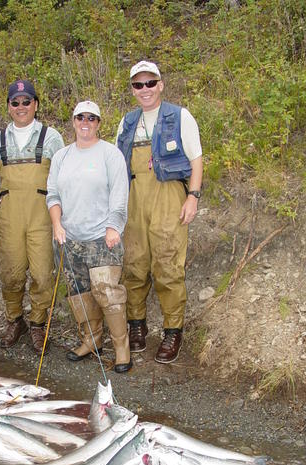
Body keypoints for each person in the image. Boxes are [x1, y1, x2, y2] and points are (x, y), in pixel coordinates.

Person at [116, 60, 203, 363]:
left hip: (169, 196)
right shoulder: (126, 122)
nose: (145, 90)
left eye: (150, 83)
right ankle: (137, 325)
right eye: (138, 85)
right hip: (134, 197)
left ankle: (172, 331)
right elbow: (117, 168)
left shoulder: (180, 116)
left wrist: (192, 197)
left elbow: (196, 160)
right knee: (135, 265)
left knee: (168, 266)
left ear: (161, 85)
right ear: (132, 90)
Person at [47, 100, 131, 374]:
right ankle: (91, 340)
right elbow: (53, 195)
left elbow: (120, 194)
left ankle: (121, 349)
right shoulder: (61, 156)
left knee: (107, 292)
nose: (86, 122)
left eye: (91, 118)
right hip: (69, 239)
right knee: (79, 293)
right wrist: (57, 225)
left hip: (102, 237)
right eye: (80, 117)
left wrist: (113, 227)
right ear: (73, 121)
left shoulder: (110, 154)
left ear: (98, 123)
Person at [0, 80, 64, 354]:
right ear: (9, 107)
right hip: (9, 219)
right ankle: (14, 320)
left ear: (36, 104)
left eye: (26, 101)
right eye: (15, 102)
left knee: (43, 275)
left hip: (42, 218)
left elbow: (62, 180)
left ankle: (38, 324)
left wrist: (62, 221)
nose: (21, 107)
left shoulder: (51, 137)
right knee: (11, 275)